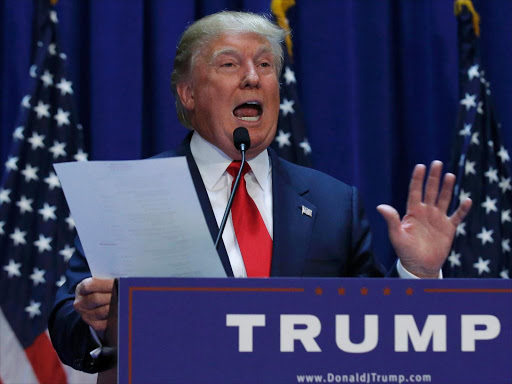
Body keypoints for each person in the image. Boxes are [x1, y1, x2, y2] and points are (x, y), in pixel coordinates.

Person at [48, 11, 472, 372]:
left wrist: (416, 273)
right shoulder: (133, 195)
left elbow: (376, 333)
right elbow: (68, 323)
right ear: (188, 93)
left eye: (266, 65)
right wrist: (97, 320)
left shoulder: (333, 203)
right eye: (230, 64)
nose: (253, 78)